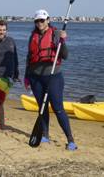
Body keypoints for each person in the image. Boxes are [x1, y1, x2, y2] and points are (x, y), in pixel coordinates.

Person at [24, 9, 77, 151]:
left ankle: (70, 140)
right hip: (35, 77)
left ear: (48, 20)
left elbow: (65, 55)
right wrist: (26, 76)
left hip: (53, 76)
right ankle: (45, 135)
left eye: (42, 20)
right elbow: (29, 58)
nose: (39, 23)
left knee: (58, 108)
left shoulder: (55, 34)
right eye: (37, 21)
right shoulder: (32, 36)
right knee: (42, 107)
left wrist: (63, 41)